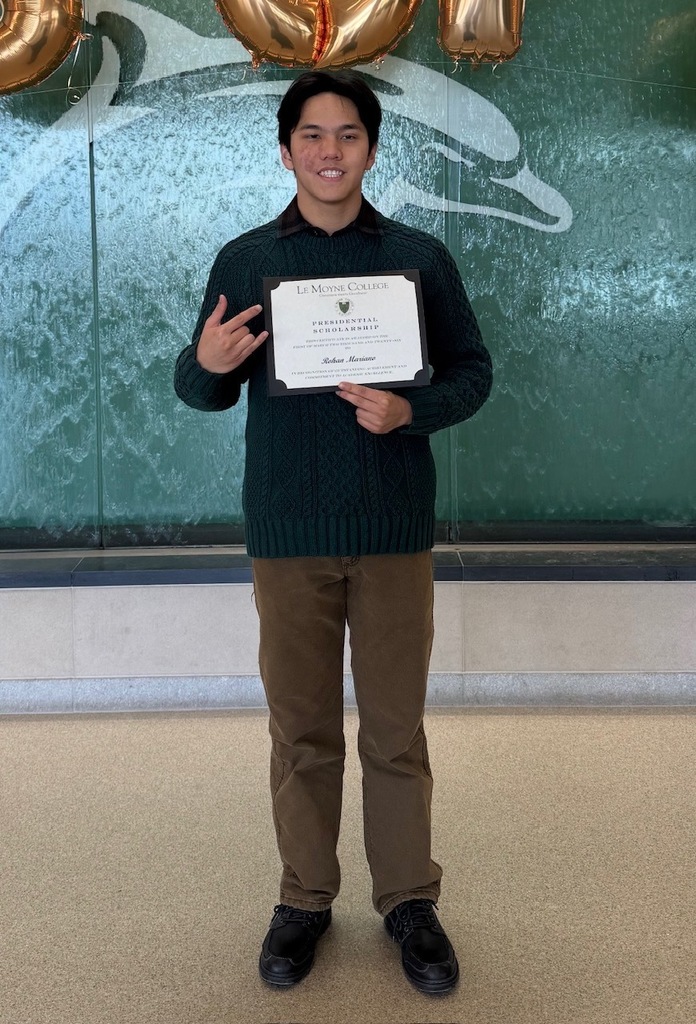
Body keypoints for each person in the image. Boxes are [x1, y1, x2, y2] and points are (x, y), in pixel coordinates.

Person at [174, 69, 492, 995]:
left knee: (396, 732)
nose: (329, 151)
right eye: (311, 135)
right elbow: (201, 387)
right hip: (288, 530)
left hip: (392, 527)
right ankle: (304, 897)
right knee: (302, 729)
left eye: (348, 135)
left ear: (371, 148)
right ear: (285, 151)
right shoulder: (243, 262)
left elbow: (473, 373)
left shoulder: (418, 258)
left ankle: (408, 901)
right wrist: (204, 364)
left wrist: (411, 411)